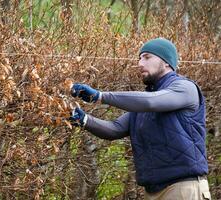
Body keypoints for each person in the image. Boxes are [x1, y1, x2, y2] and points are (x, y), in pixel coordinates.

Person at [69, 38, 211, 200]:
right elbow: (115, 128)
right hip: (153, 191)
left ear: (166, 62)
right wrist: (83, 120)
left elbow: (152, 102)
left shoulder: (185, 88)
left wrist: (100, 96)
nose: (140, 63)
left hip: (183, 189)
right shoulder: (145, 102)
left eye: (147, 57)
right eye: (139, 58)